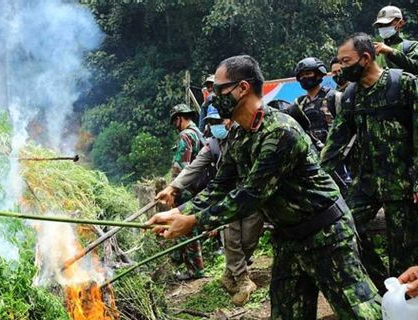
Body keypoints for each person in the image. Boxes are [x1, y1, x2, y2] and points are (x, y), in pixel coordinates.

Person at [147, 55, 381, 319]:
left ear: (242, 88)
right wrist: (178, 212)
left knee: (361, 312)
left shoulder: (279, 132)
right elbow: (220, 186)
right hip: (289, 238)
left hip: (327, 234)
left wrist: (193, 221)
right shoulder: (239, 134)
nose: (212, 97)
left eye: (218, 90)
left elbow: (251, 194)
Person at [321, 32, 418, 293]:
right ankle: (384, 287)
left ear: (365, 58)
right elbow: (336, 142)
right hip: (367, 183)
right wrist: (315, 177)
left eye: (345, 61)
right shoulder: (351, 96)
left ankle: (406, 304)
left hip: (403, 183)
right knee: (343, 229)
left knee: (404, 252)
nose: (340, 67)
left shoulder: (404, 84)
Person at [157, 106, 263, 306]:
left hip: (252, 195)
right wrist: (172, 187)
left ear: (229, 121)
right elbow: (194, 167)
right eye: (211, 123)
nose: (215, 126)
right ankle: (242, 280)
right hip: (226, 196)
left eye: (219, 121)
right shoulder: (211, 143)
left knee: (248, 238)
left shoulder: (244, 138)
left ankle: (229, 275)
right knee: (231, 238)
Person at [169, 103, 206, 280]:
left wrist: (173, 189)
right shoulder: (198, 133)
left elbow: (181, 166)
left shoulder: (186, 135)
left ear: (179, 118)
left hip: (186, 188)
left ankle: (195, 270)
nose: (174, 124)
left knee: (186, 228)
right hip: (197, 185)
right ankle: (190, 264)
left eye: (174, 120)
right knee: (191, 226)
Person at [286, 57, 336, 149]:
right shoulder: (298, 104)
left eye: (308, 73)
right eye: (301, 76)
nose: (304, 78)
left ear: (319, 74)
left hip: (333, 153)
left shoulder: (333, 97)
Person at [373, 5, 418, 75]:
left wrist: (390, 52)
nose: (382, 28)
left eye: (386, 24)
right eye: (380, 25)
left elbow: (415, 67)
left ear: (400, 23)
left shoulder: (412, 46)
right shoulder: (375, 50)